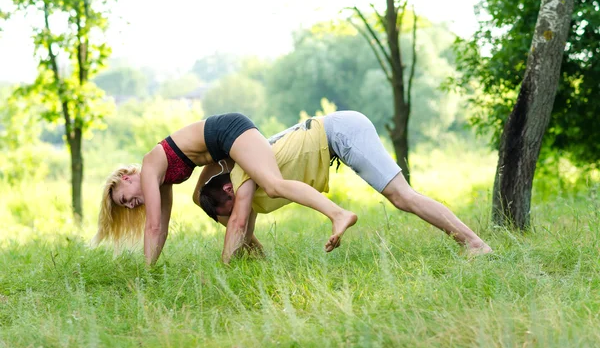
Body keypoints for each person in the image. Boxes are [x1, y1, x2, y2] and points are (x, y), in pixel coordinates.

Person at [197, 111, 492, 262]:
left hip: (342, 130)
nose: (238, 212)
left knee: (402, 197)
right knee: (403, 197)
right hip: (339, 130)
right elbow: (245, 234)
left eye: (230, 208)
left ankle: (475, 244)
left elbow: (237, 227)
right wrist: (256, 268)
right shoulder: (251, 177)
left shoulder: (243, 173)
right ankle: (473, 244)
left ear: (228, 191)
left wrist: (224, 273)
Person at [93, 112, 357, 264]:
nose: (131, 205)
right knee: (200, 197)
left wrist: (145, 275)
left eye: (125, 199)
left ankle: (338, 214)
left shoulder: (150, 166)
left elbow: (152, 226)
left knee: (273, 185)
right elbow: (161, 229)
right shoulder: (162, 181)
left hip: (228, 132)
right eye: (125, 206)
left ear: (127, 179)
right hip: (220, 151)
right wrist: (151, 269)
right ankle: (254, 253)